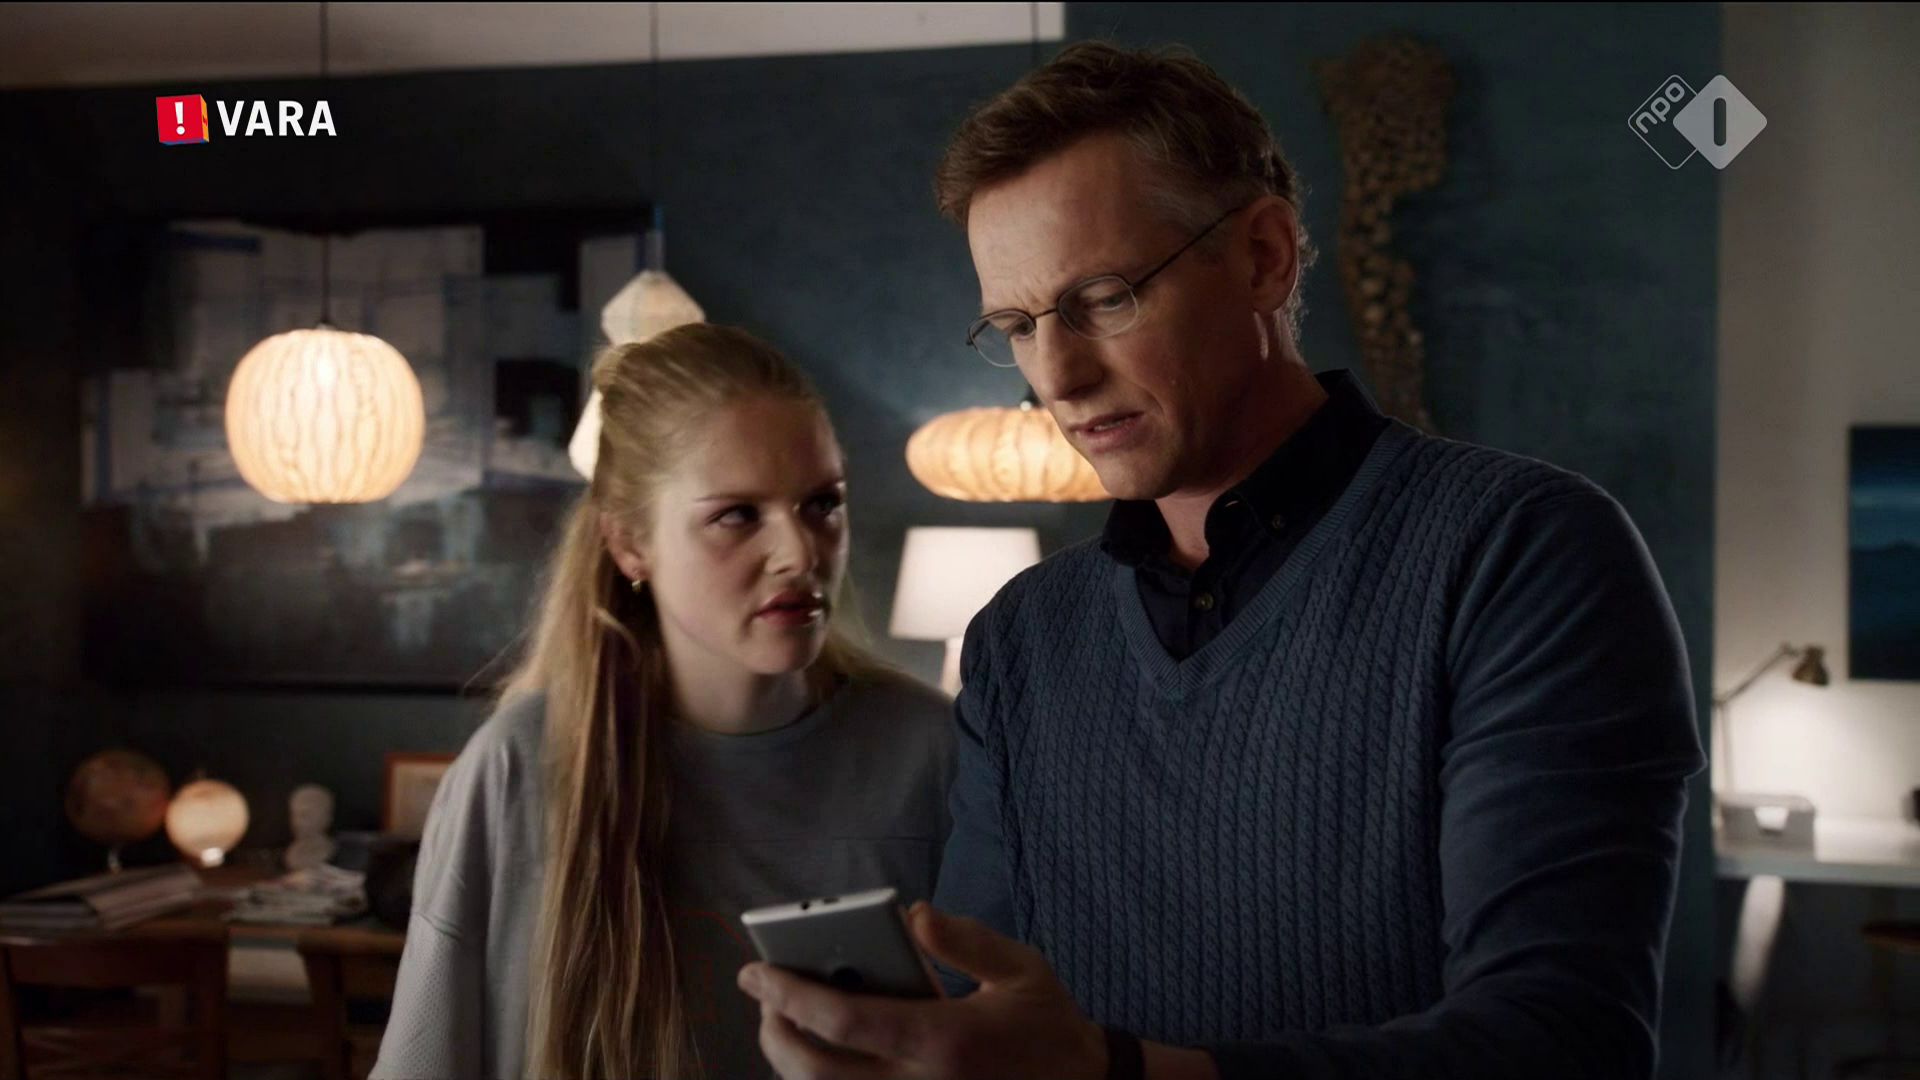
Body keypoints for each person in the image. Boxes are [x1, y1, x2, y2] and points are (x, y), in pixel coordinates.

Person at [739, 41, 1706, 1080]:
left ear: (1264, 257)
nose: (1056, 376)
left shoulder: (1522, 553)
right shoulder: (1020, 642)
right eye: (1016, 326)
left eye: (1104, 298)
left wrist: (1113, 1073)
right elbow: (991, 1017)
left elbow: (1563, 1043)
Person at [371, 323, 955, 1080]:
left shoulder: (935, 751)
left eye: (822, 504)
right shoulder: (519, 767)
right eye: (736, 515)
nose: (800, 554)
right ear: (629, 545)